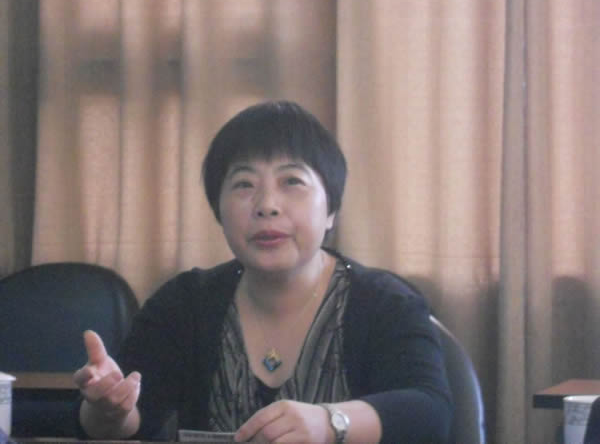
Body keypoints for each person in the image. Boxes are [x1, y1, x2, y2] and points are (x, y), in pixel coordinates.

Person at [74, 100, 453, 443]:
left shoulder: (384, 302)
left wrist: (330, 422)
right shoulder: (185, 304)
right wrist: (107, 410)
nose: (267, 205)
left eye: (292, 181)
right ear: (219, 211)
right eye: (244, 184)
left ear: (331, 211)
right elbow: (130, 419)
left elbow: (430, 412)